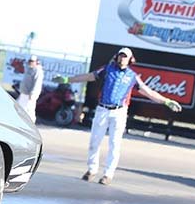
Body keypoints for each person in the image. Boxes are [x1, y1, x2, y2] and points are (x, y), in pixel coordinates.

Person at [60, 47, 182, 185]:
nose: (122, 58)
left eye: (125, 56)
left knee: (114, 143)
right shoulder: (107, 69)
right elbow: (89, 76)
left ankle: (108, 174)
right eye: (120, 55)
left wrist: (166, 101)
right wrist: (68, 79)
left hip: (119, 112)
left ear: (130, 59)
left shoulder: (132, 76)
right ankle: (92, 170)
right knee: (95, 141)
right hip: (102, 109)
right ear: (117, 57)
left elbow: (148, 92)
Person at [16, 55, 44, 122]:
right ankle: (21, 122)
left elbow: (37, 84)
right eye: (29, 61)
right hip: (24, 93)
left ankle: (31, 123)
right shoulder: (29, 69)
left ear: (36, 62)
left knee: (29, 109)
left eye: (32, 61)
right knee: (19, 107)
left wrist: (33, 93)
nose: (30, 62)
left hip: (30, 94)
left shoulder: (38, 71)